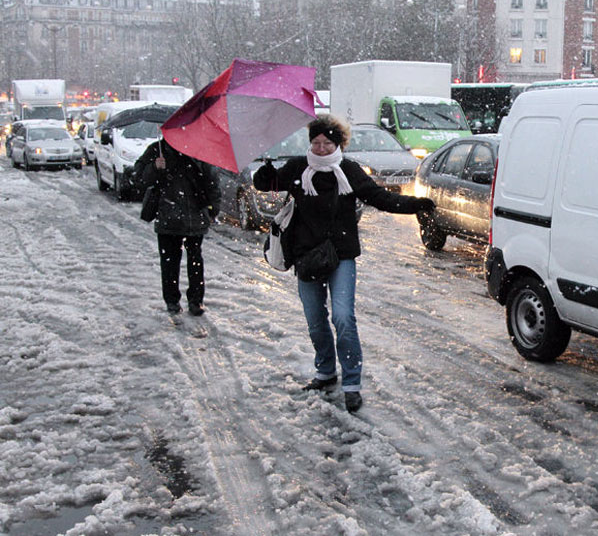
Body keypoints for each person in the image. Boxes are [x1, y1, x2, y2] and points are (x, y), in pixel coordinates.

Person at [253, 114, 434, 413]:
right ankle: (325, 372)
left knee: (343, 318)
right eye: (316, 143)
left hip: (341, 255)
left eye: (327, 143)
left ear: (338, 144)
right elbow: (266, 184)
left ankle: (351, 384)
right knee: (315, 320)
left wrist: (415, 205)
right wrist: (266, 172)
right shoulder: (298, 167)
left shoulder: (348, 170)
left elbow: (379, 197)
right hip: (307, 255)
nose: (321, 148)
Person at [137, 138, 221, 316]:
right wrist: (155, 167)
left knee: (195, 260)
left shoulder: (198, 149)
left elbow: (211, 181)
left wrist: (213, 209)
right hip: (168, 216)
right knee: (170, 261)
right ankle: (172, 300)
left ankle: (195, 300)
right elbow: (138, 177)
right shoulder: (158, 150)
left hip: (194, 216)